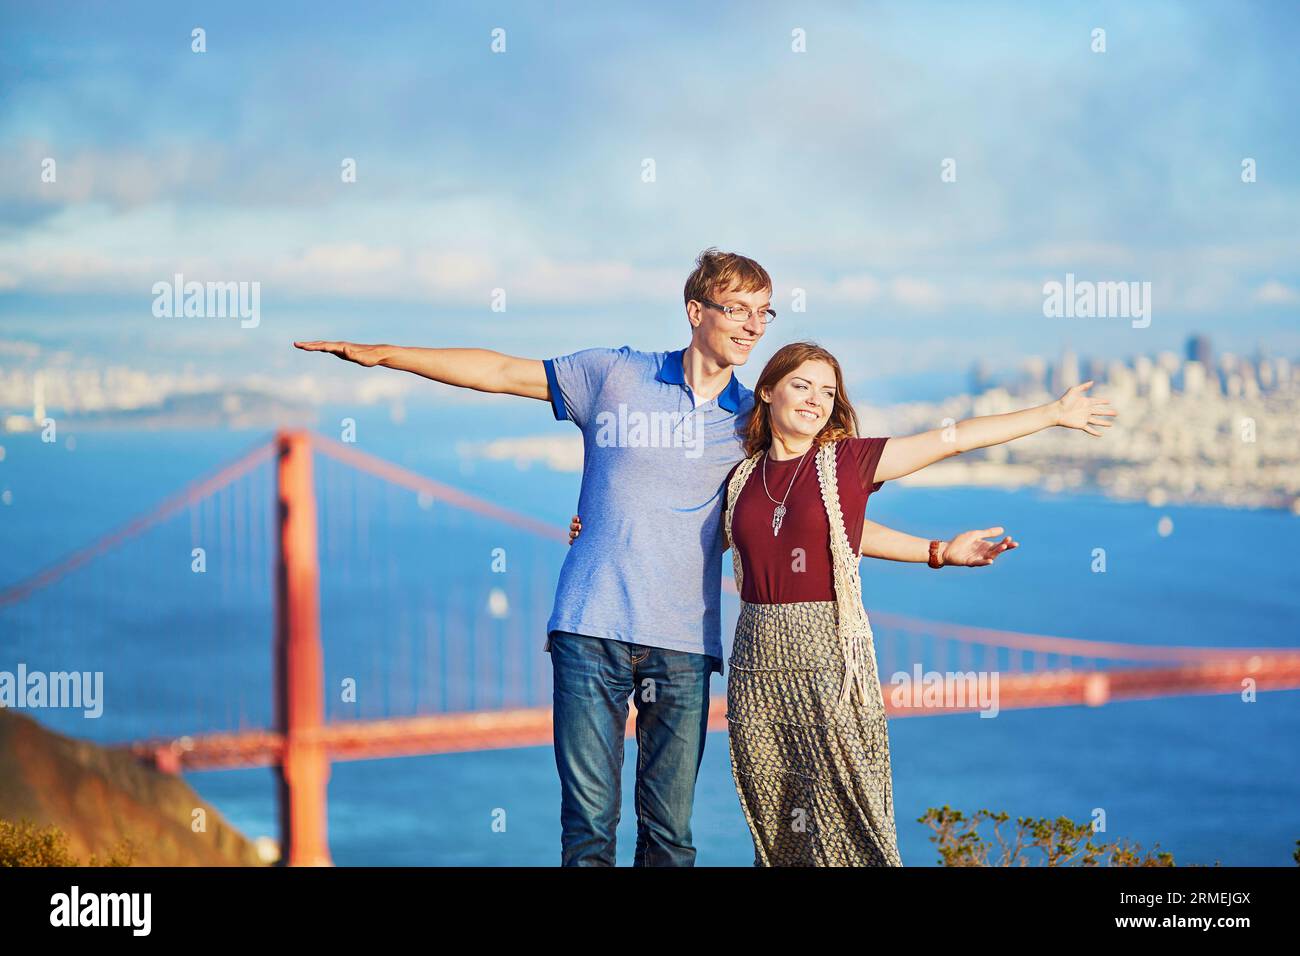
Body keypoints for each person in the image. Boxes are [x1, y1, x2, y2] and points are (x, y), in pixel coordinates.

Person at [294, 247, 775, 866]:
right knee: (588, 833)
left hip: (682, 644)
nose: (752, 326)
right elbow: (498, 371)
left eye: (764, 313)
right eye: (738, 309)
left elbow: (811, 492)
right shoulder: (615, 374)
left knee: (669, 841)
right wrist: (385, 354)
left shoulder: (751, 423)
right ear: (694, 311)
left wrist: (933, 535)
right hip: (588, 629)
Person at [573, 340, 1116, 866]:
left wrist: (1051, 413)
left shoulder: (846, 464)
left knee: (850, 817)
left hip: (831, 661)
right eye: (802, 385)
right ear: (766, 392)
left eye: (828, 392)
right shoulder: (739, 478)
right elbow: (673, 526)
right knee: (778, 824)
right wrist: (595, 527)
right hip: (756, 671)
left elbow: (951, 439)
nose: (815, 400)